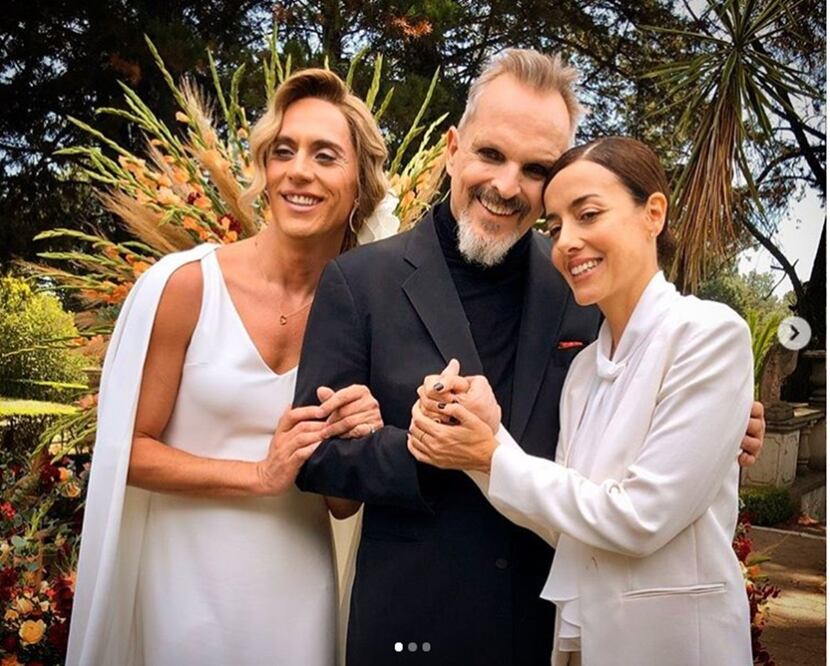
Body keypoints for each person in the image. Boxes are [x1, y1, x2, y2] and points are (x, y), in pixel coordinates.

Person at [294, 50, 765, 665]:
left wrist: (723, 419)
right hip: (413, 617)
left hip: (553, 625)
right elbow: (317, 457)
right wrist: (426, 447)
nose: (508, 185)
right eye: (491, 154)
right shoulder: (360, 282)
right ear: (452, 148)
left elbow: (633, 406)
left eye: (536, 167)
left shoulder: (582, 286)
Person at [67, 69, 389, 666]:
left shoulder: (364, 315)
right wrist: (258, 476)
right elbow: (124, 450)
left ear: (359, 187)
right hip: (182, 585)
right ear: (264, 172)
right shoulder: (186, 286)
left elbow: (340, 505)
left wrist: (359, 440)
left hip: (298, 589)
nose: (299, 170)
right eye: (283, 151)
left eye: (325, 155)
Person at [409, 137, 754, 665]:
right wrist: (485, 432)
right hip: (583, 644)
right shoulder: (584, 370)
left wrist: (488, 455)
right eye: (554, 226)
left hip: (675, 646)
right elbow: (566, 523)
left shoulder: (708, 335)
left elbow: (640, 518)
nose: (567, 241)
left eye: (588, 214)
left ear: (653, 213)